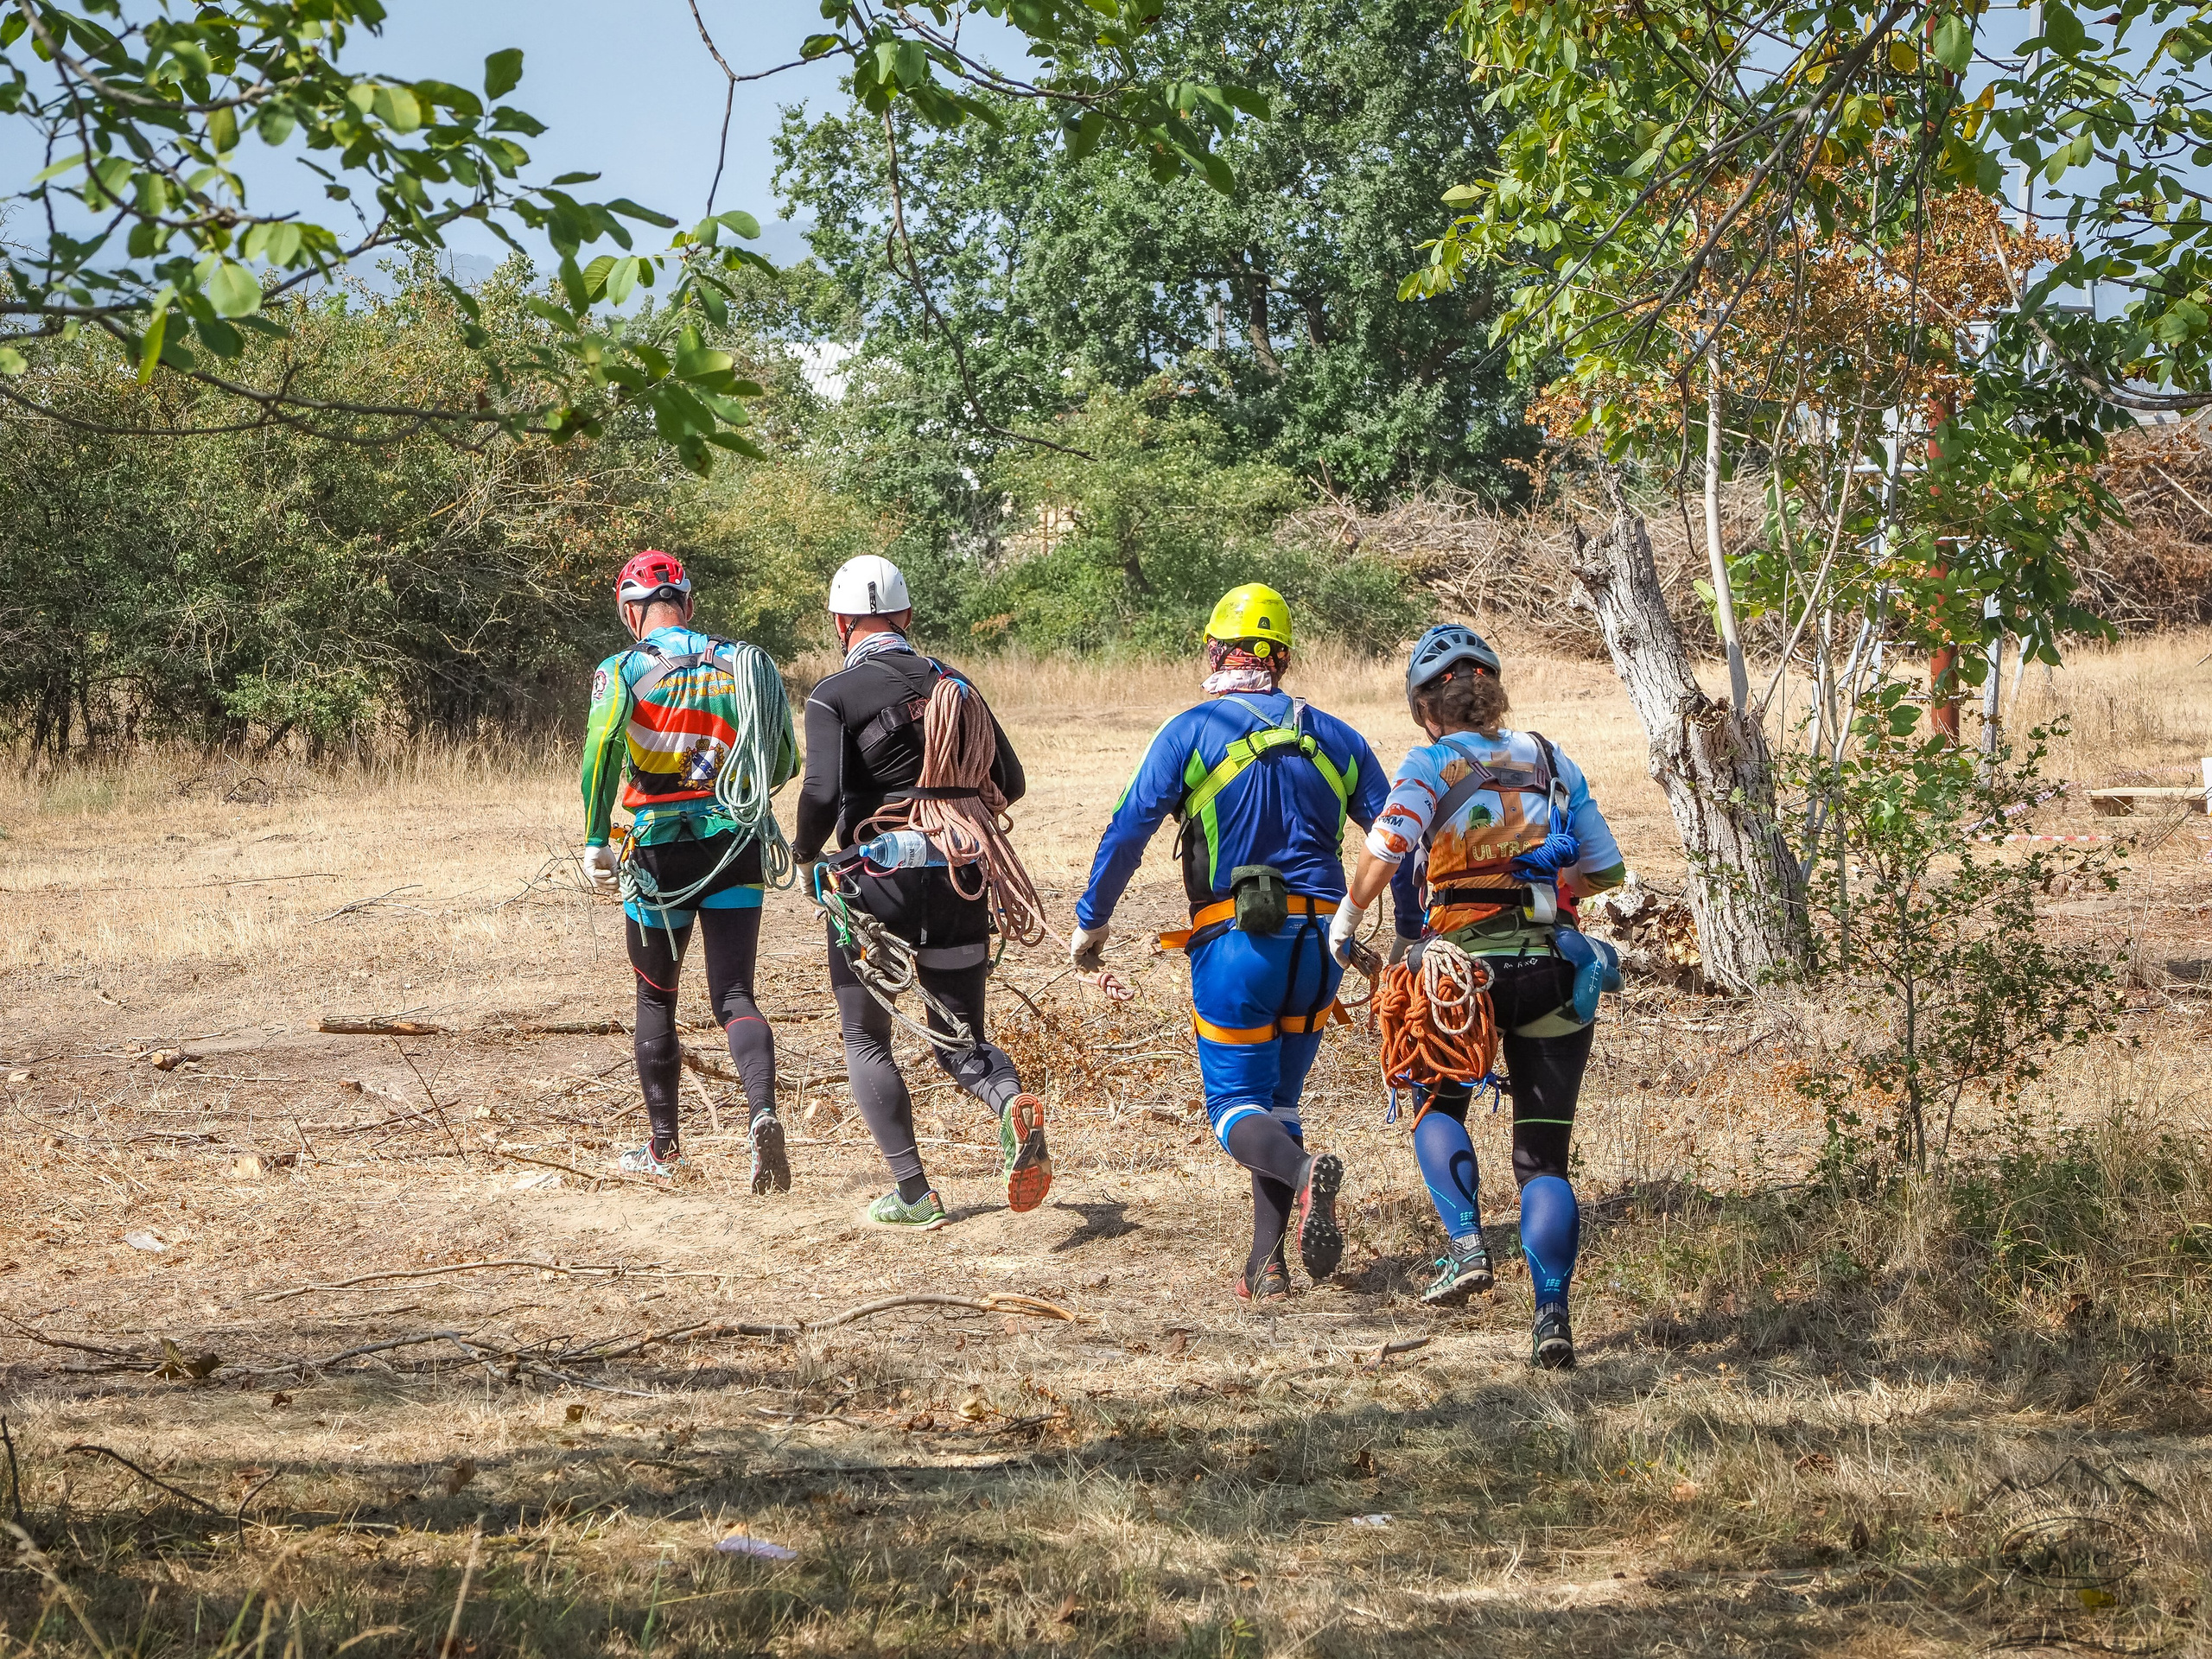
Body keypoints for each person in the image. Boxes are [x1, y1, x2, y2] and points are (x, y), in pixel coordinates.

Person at [1069, 583, 1389, 1306]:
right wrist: (1412, 931)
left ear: (1215, 650)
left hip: (1241, 943)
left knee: (1235, 1108)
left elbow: (1127, 831)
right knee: (1279, 1101)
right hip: (1324, 949)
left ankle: (1307, 1176)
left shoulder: (1190, 729)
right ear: (1282, 658)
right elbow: (1401, 837)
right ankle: (1265, 1269)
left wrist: (1093, 923)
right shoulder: (1339, 735)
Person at [1329, 624, 1626, 1369]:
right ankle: (1551, 1316)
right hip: (1556, 966)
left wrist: (1346, 924)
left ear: (1426, 707)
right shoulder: (1554, 760)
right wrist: (1555, 875)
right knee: (1545, 1159)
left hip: (1463, 975)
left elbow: (1384, 851)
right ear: (1491, 694)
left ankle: (1466, 1246)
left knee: (1437, 1106)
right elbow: (1607, 870)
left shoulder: (1429, 764)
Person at [792, 554, 1051, 1230]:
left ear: (842, 624)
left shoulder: (833, 694)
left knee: (865, 1037)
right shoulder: (954, 684)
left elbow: (820, 793)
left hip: (875, 880)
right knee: (961, 1043)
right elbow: (1011, 781)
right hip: (963, 873)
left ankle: (915, 1194)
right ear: (906, 617)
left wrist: (804, 855)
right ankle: (1009, 1104)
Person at [580, 550, 799, 1191]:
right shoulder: (746, 662)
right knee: (734, 995)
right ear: (690, 604)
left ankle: (666, 1150)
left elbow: (600, 753)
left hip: (656, 851)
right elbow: (783, 758)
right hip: (736, 841)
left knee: (656, 995)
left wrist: (596, 838)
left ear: (629, 612)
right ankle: (761, 1116)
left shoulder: (620, 670)